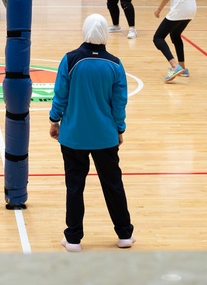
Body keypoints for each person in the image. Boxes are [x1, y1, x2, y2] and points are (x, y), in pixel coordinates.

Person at [49, 13, 133, 253]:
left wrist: (54, 121)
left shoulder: (70, 60)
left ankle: (73, 238)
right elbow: (119, 103)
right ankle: (125, 234)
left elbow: (60, 96)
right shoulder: (115, 64)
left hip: (73, 137)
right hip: (105, 137)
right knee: (113, 185)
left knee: (75, 187)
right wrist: (119, 129)